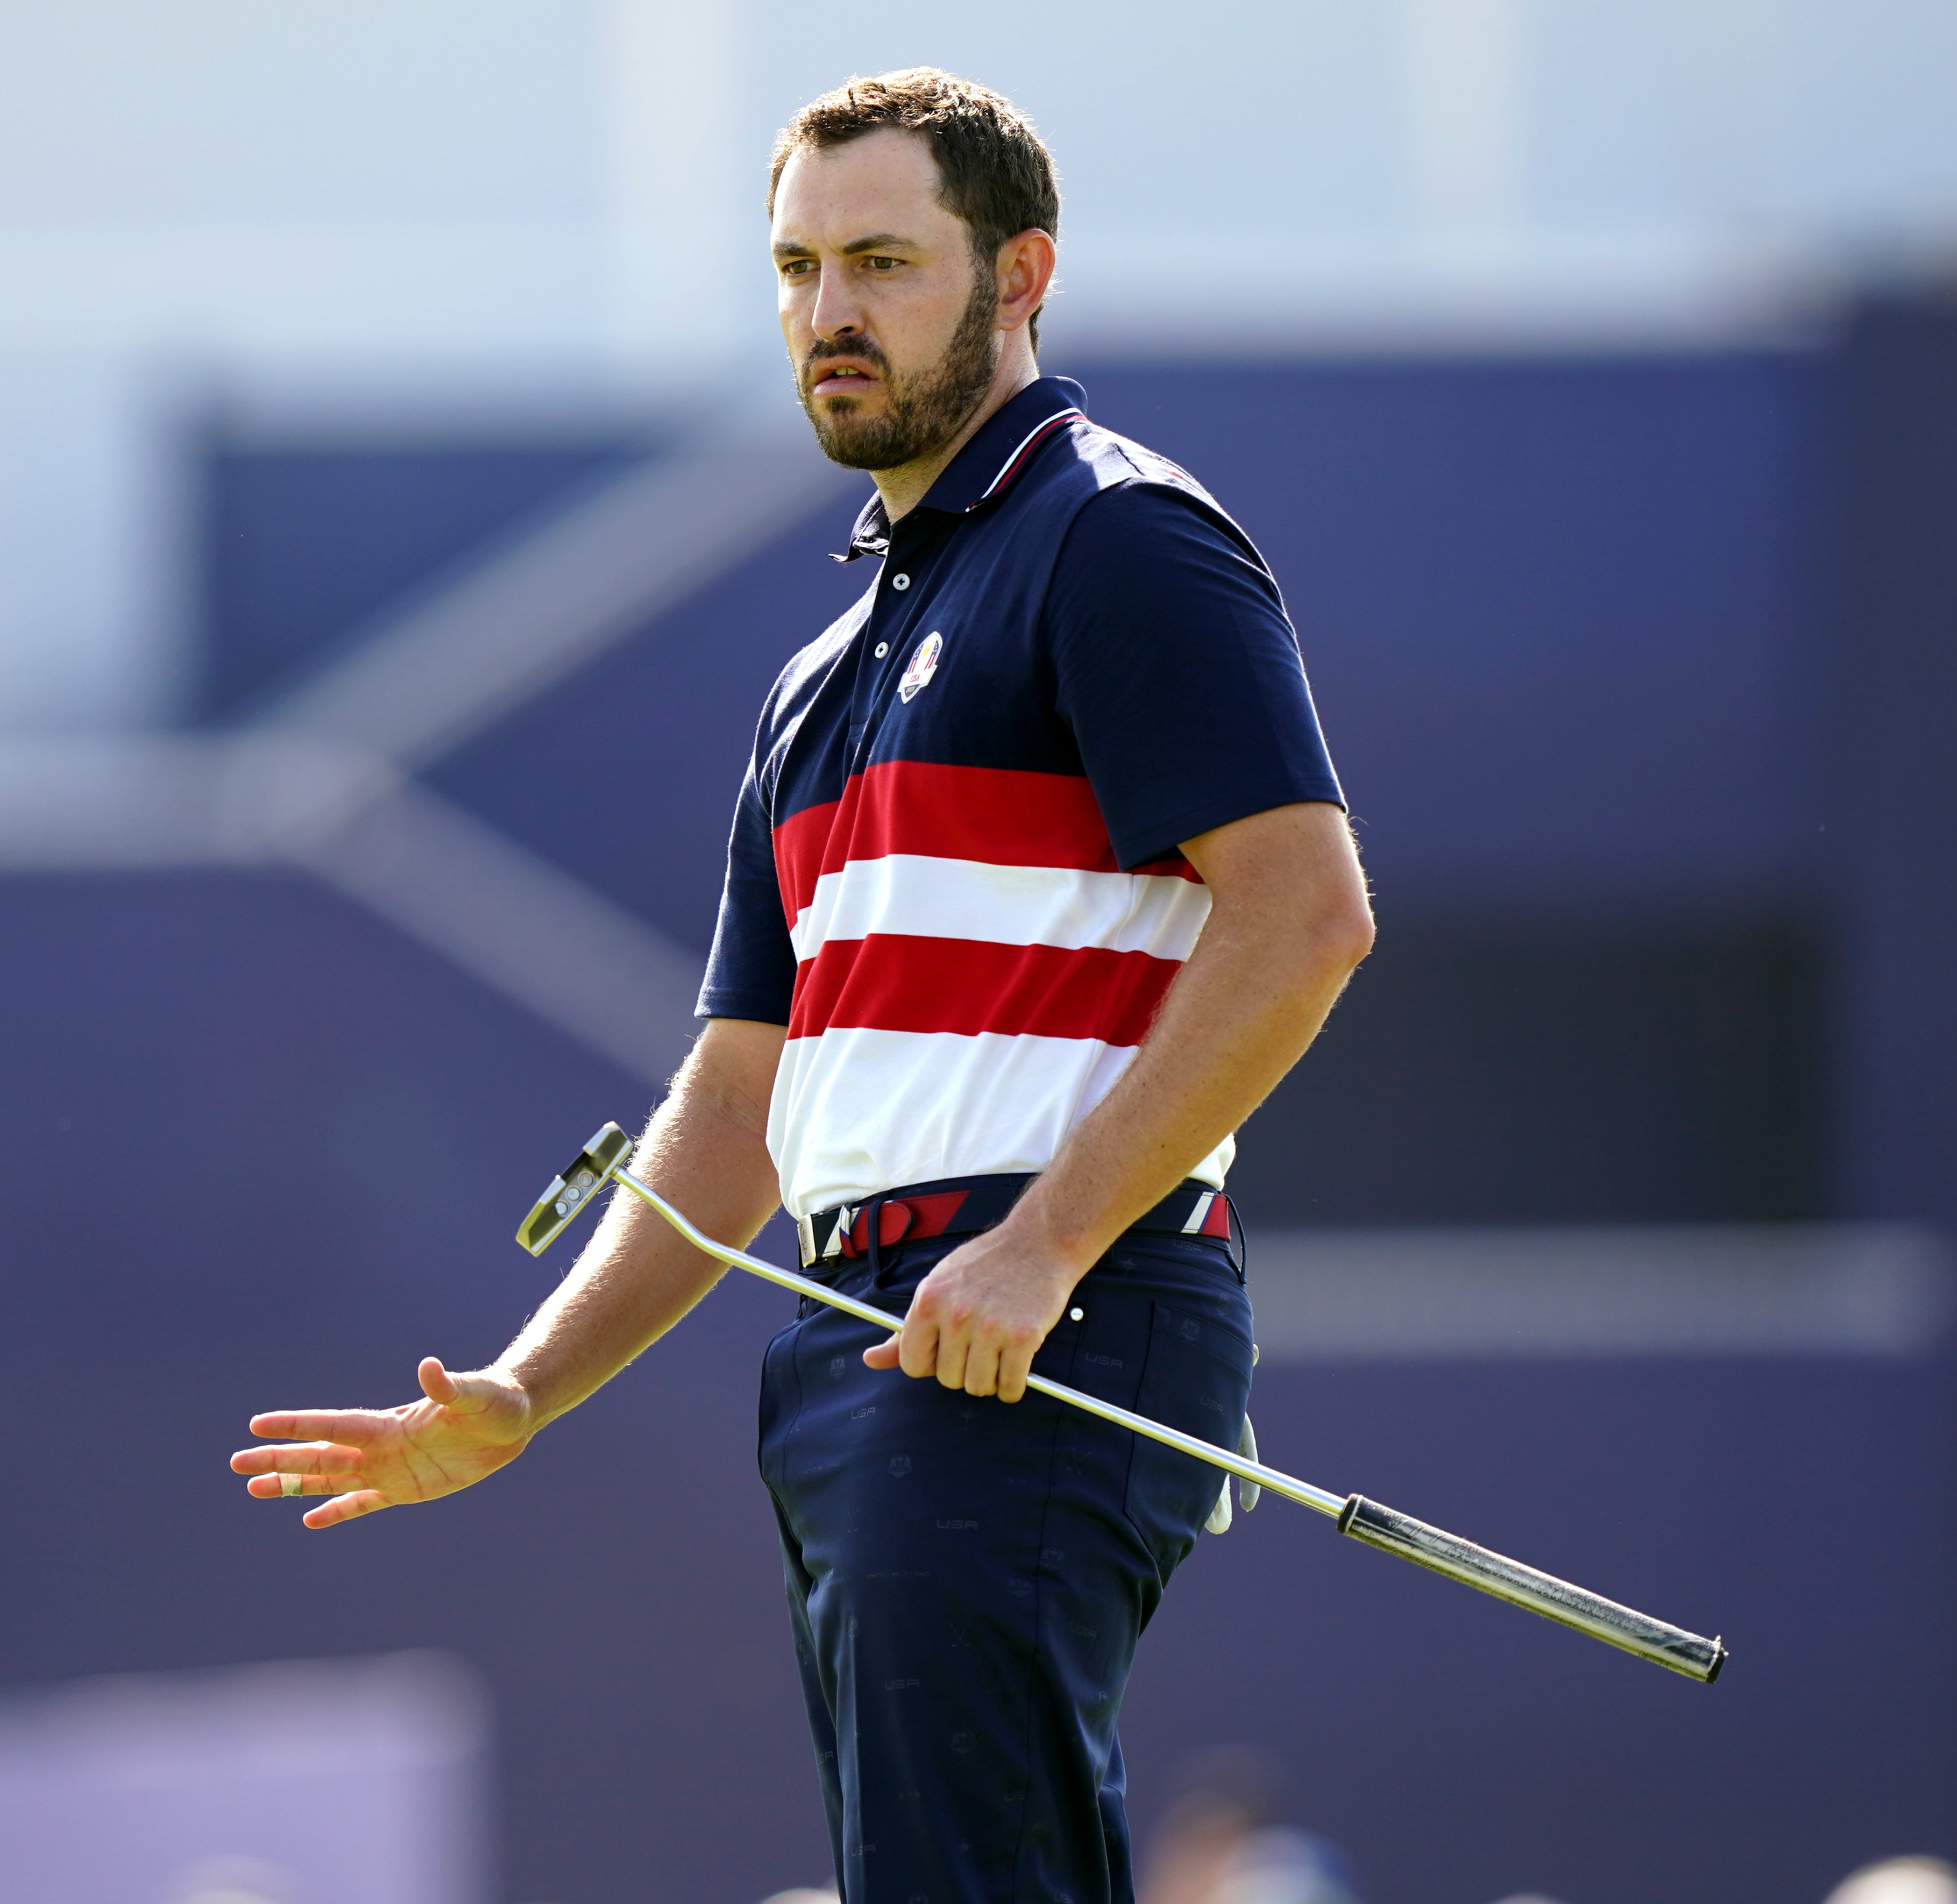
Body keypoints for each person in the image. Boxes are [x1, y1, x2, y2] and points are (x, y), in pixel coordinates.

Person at [229, 68, 1374, 1904]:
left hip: (1041, 1312)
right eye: (797, 268)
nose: (831, 311)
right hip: (865, 1336)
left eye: (884, 262)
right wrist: (521, 1394)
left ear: (1021, 277)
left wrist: (1050, 1242)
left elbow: (1306, 917)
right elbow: (736, 1096)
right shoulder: (824, 671)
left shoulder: (1119, 536)